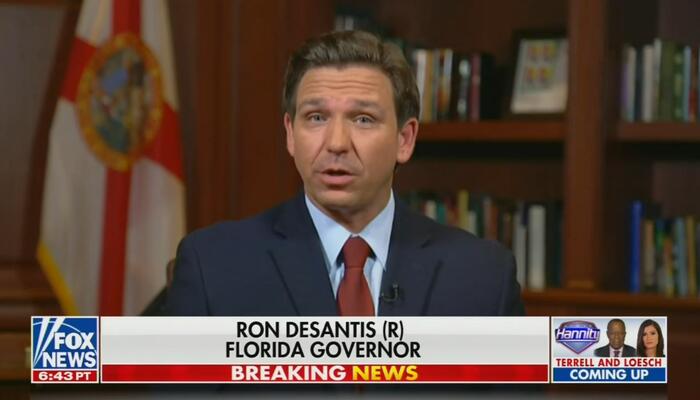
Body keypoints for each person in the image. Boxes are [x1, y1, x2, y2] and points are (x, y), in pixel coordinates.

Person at [165, 30, 524, 317]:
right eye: (316, 117)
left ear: (404, 139)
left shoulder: (483, 275)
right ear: (290, 134)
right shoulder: (212, 266)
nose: (336, 143)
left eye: (363, 119)